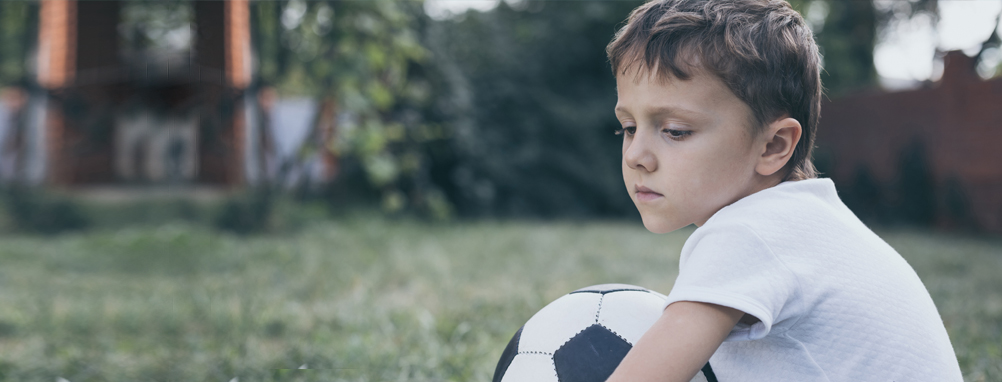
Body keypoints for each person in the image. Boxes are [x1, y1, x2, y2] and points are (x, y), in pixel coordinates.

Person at [602, 0, 963, 381]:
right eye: (628, 128)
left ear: (773, 146)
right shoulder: (805, 222)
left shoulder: (748, 234)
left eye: (675, 130)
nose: (636, 155)